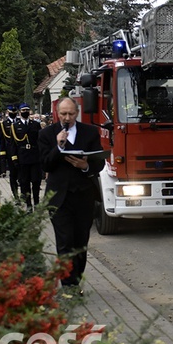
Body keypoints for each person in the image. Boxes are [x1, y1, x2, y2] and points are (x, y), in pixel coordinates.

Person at [38, 97, 105, 292]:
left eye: (71, 114)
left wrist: (86, 166)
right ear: (58, 114)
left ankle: (75, 278)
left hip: (83, 196)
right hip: (59, 198)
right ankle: (69, 286)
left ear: (77, 113)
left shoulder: (90, 132)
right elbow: (45, 164)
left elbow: (99, 162)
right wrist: (58, 146)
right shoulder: (46, 134)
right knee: (65, 242)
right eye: (63, 114)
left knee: (80, 243)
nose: (67, 117)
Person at [11, 103, 42, 209]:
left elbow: (39, 141)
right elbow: (13, 143)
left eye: (27, 110)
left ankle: (37, 203)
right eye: (23, 110)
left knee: (36, 181)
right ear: (19, 112)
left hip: (34, 156)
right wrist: (14, 158)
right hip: (22, 157)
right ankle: (29, 205)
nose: (25, 112)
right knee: (25, 182)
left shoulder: (35, 125)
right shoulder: (15, 126)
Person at [0, 105, 20, 196]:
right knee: (13, 175)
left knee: (22, 175)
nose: (13, 114)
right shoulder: (3, 124)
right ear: (8, 113)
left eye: (14, 113)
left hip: (21, 152)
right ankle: (16, 195)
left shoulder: (20, 122)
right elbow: (2, 141)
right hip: (10, 153)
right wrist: (3, 155)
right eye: (11, 113)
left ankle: (24, 194)